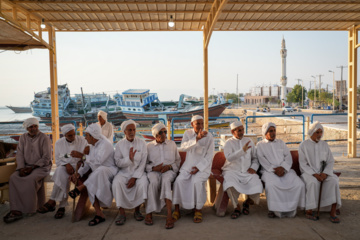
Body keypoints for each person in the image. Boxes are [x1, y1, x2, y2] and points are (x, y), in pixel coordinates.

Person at [3, 118, 52, 223]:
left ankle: (30, 208)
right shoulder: (23, 137)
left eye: (35, 126)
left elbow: (46, 157)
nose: (33, 129)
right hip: (25, 166)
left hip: (41, 167)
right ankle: (16, 209)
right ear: (27, 128)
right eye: (31, 127)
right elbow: (19, 154)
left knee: (30, 179)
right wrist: (21, 168)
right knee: (13, 178)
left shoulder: (44, 138)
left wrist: (32, 167)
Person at [68, 123, 117, 226]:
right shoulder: (92, 145)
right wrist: (79, 173)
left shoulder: (106, 145)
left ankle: (80, 188)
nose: (85, 138)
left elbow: (98, 162)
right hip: (98, 174)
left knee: (100, 170)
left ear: (93, 136)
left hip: (110, 171)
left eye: (87, 135)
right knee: (93, 179)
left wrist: (82, 155)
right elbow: (88, 163)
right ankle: (99, 214)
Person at [37, 124, 87, 219]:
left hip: (80, 167)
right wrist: (66, 165)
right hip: (65, 167)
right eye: (70, 135)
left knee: (60, 175)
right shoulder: (59, 143)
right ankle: (61, 206)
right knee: (60, 172)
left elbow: (88, 158)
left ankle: (53, 201)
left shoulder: (82, 140)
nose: (73, 137)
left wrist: (81, 155)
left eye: (74, 134)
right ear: (64, 135)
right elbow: (58, 159)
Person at [256, 122, 305, 218]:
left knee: (299, 184)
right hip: (269, 171)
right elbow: (262, 160)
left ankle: (292, 208)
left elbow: (288, 157)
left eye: (274, 130)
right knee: (272, 185)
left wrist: (283, 168)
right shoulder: (260, 145)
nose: (273, 133)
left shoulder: (281, 143)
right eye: (271, 131)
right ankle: (274, 210)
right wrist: (275, 170)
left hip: (285, 170)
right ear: (265, 133)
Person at [172, 115, 214, 223]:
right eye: (197, 124)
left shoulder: (209, 136)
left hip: (203, 167)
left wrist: (199, 168)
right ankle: (177, 210)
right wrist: (196, 139)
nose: (200, 126)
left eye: (201, 123)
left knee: (196, 182)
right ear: (192, 124)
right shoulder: (187, 134)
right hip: (188, 166)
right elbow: (184, 147)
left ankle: (198, 210)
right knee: (178, 181)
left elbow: (209, 156)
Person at [299, 121, 341, 223]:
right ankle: (309, 210)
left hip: (324, 173)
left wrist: (325, 173)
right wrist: (315, 174)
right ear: (311, 132)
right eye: (317, 132)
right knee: (312, 182)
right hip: (309, 173)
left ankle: (332, 211)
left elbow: (330, 161)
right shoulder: (303, 145)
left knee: (334, 181)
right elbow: (303, 164)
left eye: (320, 132)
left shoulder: (324, 145)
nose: (319, 135)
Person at [223, 121, 263, 219]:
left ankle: (247, 202)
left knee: (258, 185)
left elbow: (255, 158)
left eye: (243, 130)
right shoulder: (228, 143)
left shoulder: (248, 140)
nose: (242, 132)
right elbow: (229, 158)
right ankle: (237, 207)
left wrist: (254, 167)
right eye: (239, 130)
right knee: (229, 185)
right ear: (233, 132)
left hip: (247, 171)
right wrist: (242, 151)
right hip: (232, 171)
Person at [112, 120, 148, 226]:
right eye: (130, 130)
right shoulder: (119, 145)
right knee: (116, 183)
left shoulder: (142, 143)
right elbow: (118, 162)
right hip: (123, 172)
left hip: (138, 173)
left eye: (134, 129)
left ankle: (137, 210)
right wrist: (129, 158)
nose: (132, 132)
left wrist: (135, 177)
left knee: (143, 183)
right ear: (124, 132)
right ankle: (122, 213)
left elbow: (143, 163)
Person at [145, 123, 181, 229]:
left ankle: (169, 214)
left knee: (166, 181)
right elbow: (144, 164)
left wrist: (169, 166)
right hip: (153, 171)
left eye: (165, 132)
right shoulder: (148, 146)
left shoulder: (172, 144)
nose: (164, 134)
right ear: (155, 135)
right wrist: (153, 168)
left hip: (169, 171)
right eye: (161, 132)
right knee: (153, 182)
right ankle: (149, 212)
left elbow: (177, 161)